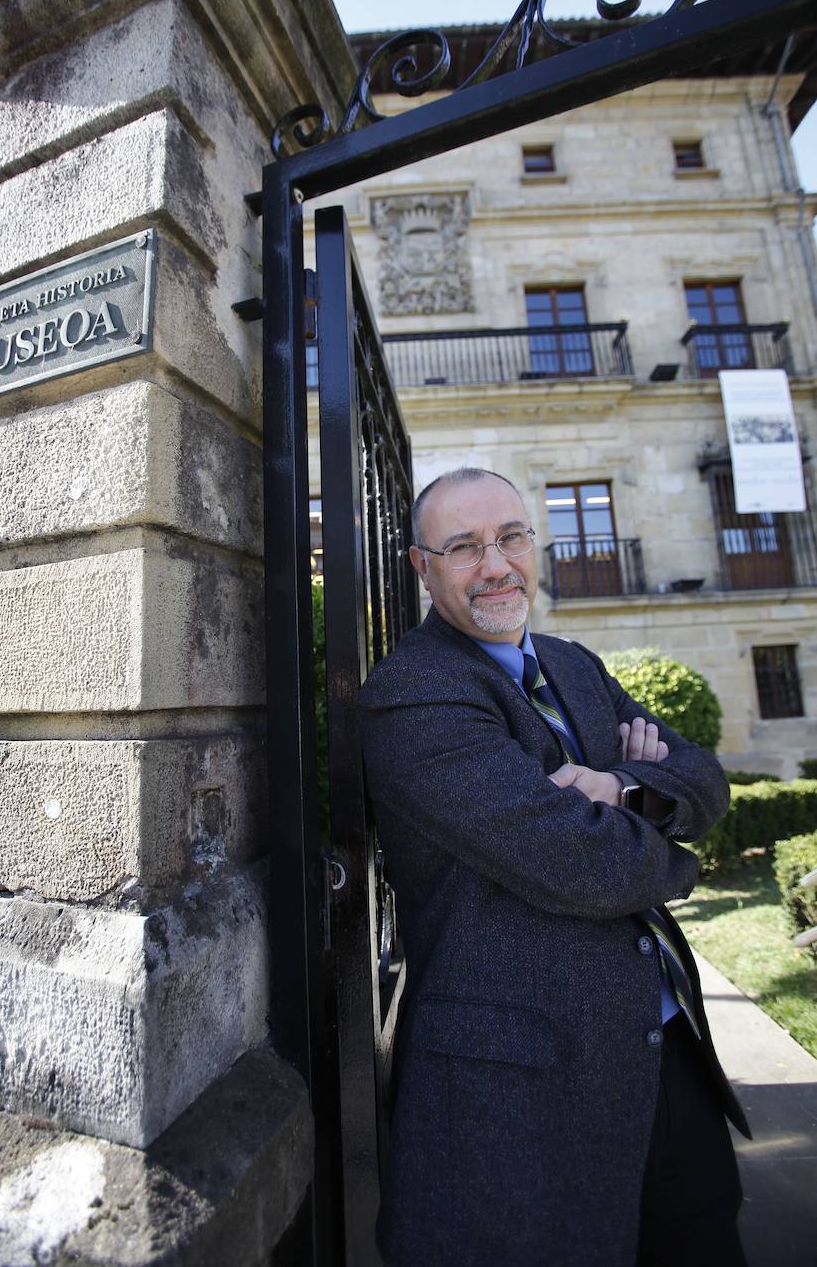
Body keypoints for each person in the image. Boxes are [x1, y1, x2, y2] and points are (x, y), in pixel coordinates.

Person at [358, 467, 750, 1267]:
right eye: (463, 547)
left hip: (671, 1055)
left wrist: (621, 790)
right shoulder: (412, 695)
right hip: (528, 1099)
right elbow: (584, 863)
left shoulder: (575, 665)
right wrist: (671, 847)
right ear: (420, 566)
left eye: (510, 537)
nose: (496, 564)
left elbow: (706, 781)